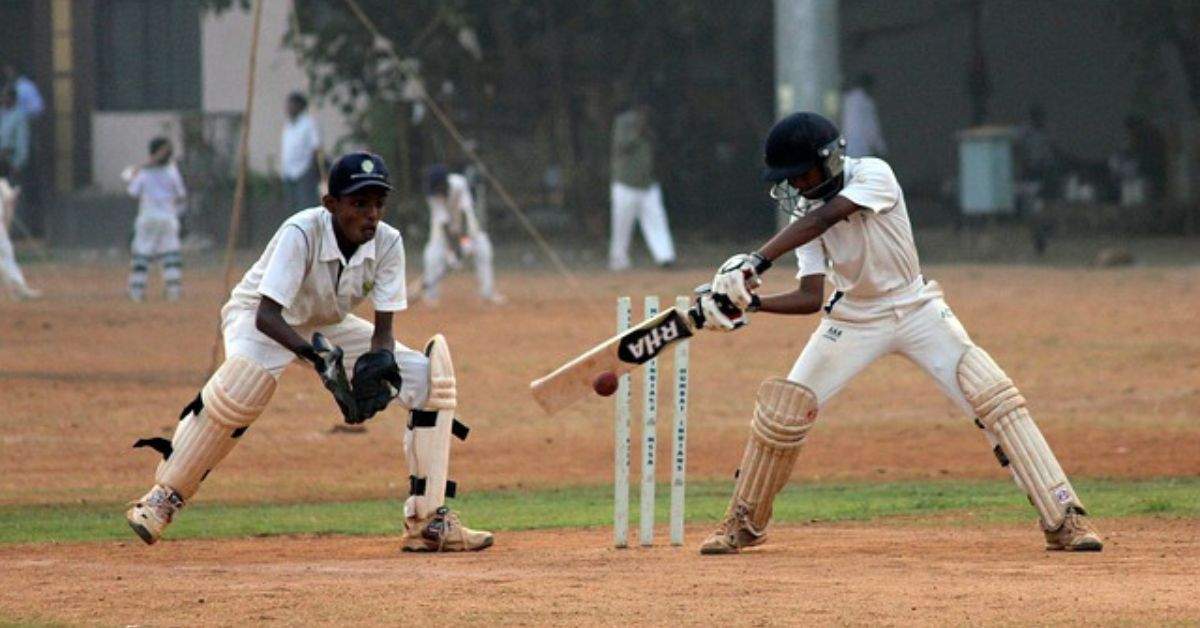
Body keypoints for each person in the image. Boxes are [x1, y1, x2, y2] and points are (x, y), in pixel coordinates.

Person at [693, 112, 1103, 555]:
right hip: (852, 318)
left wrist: (756, 260)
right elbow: (810, 297)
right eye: (789, 179)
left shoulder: (873, 174)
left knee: (994, 397)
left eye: (802, 174)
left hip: (917, 308)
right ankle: (744, 522)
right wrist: (751, 303)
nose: (796, 186)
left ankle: (1064, 516)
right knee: (784, 411)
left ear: (830, 160)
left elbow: (828, 217)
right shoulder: (806, 219)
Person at [125, 152, 492, 552]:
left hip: (324, 322)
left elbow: (383, 332)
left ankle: (429, 522)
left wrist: (381, 366)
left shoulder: (388, 242)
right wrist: (319, 360)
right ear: (331, 204)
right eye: (359, 203)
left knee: (428, 378)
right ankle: (162, 499)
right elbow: (267, 315)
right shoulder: (300, 232)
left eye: (377, 204)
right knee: (246, 383)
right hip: (260, 316)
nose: (371, 214)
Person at [419, 164, 503, 305]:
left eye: (437, 188)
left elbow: (464, 213)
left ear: (443, 183)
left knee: (484, 250)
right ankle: (430, 295)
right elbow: (444, 223)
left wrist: (463, 242)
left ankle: (487, 293)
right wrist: (454, 250)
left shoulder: (459, 184)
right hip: (443, 232)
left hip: (468, 228)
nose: (436, 192)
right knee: (432, 257)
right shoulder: (433, 196)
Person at [608, 103, 676, 271]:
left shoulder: (652, 125)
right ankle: (618, 259)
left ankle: (665, 257)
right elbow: (620, 145)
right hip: (626, 184)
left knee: (657, 220)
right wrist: (638, 132)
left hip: (648, 184)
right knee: (622, 226)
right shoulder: (624, 122)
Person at [123, 137, 187, 302]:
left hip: (148, 217)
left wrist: (137, 172)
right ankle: (173, 291)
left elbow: (132, 191)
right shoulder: (172, 170)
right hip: (168, 217)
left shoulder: (144, 172)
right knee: (170, 253)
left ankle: (136, 292)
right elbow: (181, 194)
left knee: (142, 253)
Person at [0, 157, 39, 300]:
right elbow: (9, 202)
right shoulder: (2, 183)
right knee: (6, 256)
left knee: (6, 257)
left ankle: (17, 289)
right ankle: (17, 289)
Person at [281, 92, 323, 213]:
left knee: (305, 208)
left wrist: (312, 169)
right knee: (291, 209)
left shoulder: (309, 124)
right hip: (289, 173)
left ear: (299, 106)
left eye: (291, 104)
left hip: (304, 171)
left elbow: (316, 147)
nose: (288, 108)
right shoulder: (288, 126)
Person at [840, 73, 887, 159]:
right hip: (861, 148)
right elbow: (871, 127)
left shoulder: (846, 99)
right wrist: (881, 148)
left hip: (845, 147)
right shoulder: (866, 102)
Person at [0, 87, 29, 178]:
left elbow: (22, 141)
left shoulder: (19, 116)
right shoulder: (2, 113)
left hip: (10, 161)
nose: (2, 99)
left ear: (12, 98)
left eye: (5, 96)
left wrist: (18, 164)